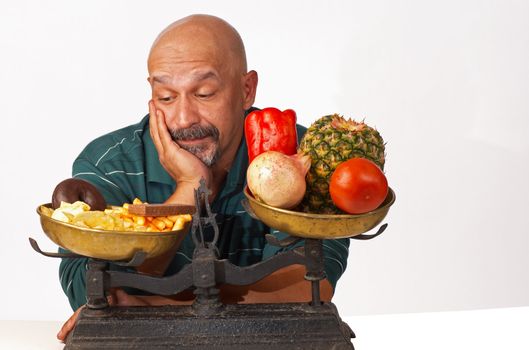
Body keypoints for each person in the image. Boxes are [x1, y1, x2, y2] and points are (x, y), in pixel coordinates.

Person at [56, 14, 350, 341]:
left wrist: (151, 306)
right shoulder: (110, 163)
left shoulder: (300, 158)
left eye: (205, 93)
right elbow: (89, 286)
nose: (183, 118)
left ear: (246, 90)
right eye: (166, 97)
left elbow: (309, 283)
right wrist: (190, 190)